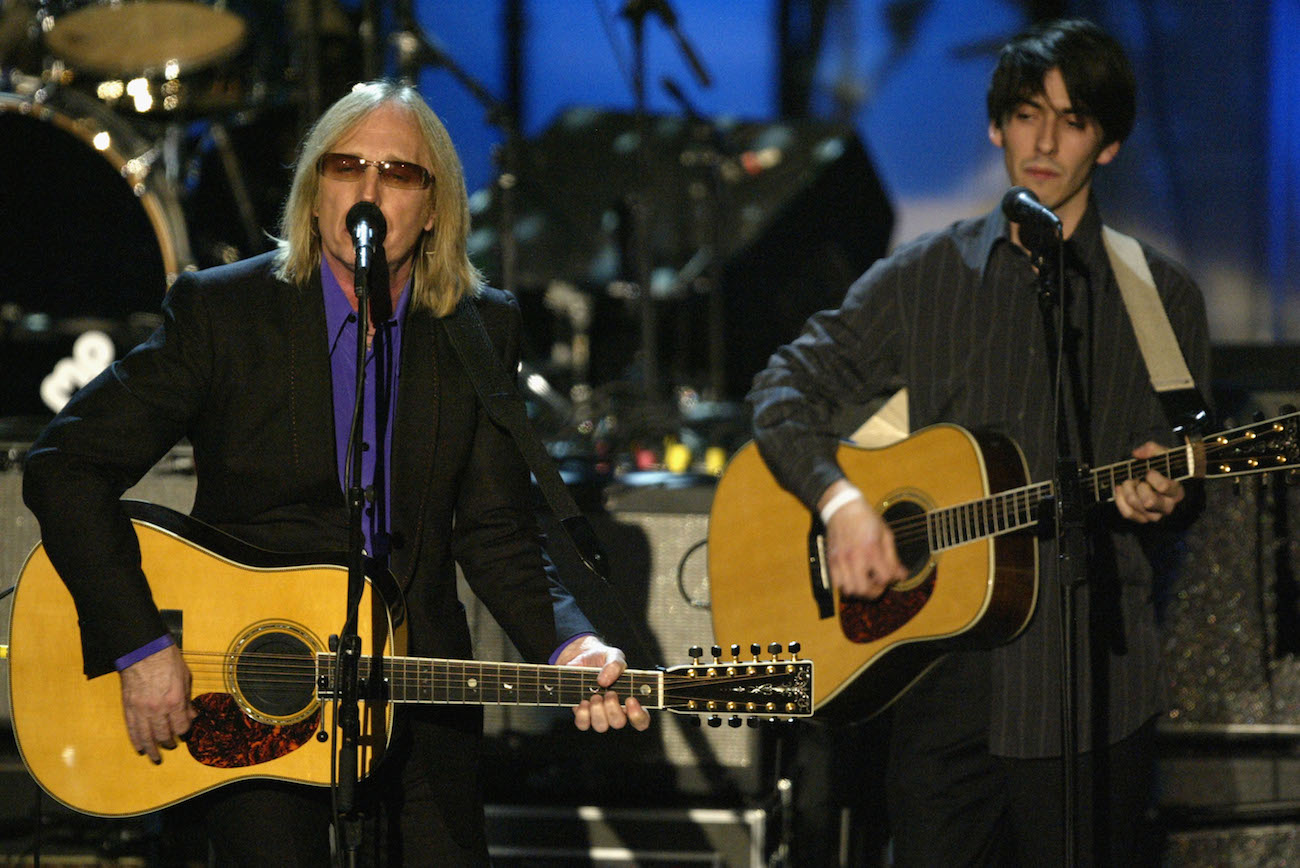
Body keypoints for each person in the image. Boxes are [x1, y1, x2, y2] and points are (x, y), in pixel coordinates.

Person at [22, 80, 650, 866]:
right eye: (346, 165)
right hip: (253, 697)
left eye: (399, 173)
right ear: (315, 190)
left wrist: (571, 648)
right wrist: (140, 645)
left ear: (435, 208)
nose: (368, 189)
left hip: (418, 697)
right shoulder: (225, 312)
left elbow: (496, 532)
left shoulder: (478, 328)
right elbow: (63, 466)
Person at [748, 18, 1209, 867]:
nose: (1044, 140)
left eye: (1073, 121)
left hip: (1093, 696)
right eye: (1028, 113)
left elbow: (1183, 468)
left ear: (1106, 145)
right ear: (998, 125)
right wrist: (841, 501)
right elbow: (784, 387)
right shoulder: (927, 276)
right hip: (937, 693)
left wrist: (1166, 490)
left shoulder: (1159, 294)